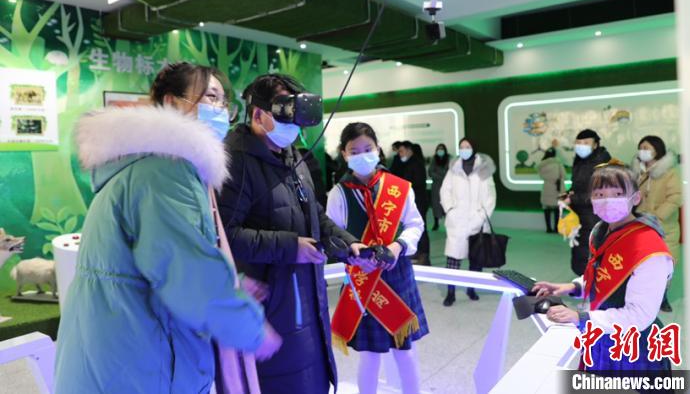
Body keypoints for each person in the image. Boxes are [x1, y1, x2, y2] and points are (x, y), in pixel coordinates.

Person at [55, 63, 280, 393]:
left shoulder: (140, 165)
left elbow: (157, 258)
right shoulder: (166, 170)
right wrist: (250, 328)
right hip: (141, 362)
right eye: (211, 97)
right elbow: (185, 273)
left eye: (224, 102)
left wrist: (229, 282)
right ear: (173, 102)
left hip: (112, 352)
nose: (221, 110)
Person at [217, 74, 372, 394]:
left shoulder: (294, 158)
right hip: (267, 312)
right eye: (285, 116)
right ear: (257, 114)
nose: (294, 128)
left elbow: (315, 215)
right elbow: (223, 237)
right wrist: (290, 247)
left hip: (308, 300)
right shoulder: (235, 162)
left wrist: (349, 245)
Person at [533, 162, 673, 373]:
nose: (608, 201)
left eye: (617, 194)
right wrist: (570, 287)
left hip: (634, 344)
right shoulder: (600, 231)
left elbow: (639, 315)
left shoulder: (650, 249)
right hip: (601, 332)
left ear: (636, 198)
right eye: (599, 194)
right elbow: (602, 275)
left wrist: (579, 317)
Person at [327, 122, 429, 394]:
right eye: (354, 151)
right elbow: (333, 236)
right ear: (344, 154)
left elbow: (415, 224)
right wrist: (352, 256)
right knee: (370, 356)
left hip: (397, 273)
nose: (362, 155)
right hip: (362, 277)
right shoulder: (338, 194)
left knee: (405, 351)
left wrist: (397, 246)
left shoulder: (398, 187)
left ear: (378, 149)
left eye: (368, 148)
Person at [440, 137, 496, 305]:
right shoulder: (454, 169)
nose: (464, 150)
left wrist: (481, 216)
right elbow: (445, 191)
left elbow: (491, 196)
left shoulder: (483, 169)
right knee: (453, 260)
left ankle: (471, 288)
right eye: (461, 147)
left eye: (467, 146)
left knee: (475, 259)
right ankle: (450, 292)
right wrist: (450, 210)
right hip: (456, 221)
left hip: (476, 221)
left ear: (474, 148)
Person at [631, 135, 682, 312]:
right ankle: (643, 295)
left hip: (664, 227)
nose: (642, 151)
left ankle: (662, 297)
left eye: (647, 148)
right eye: (641, 148)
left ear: (657, 150)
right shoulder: (637, 172)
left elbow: (676, 197)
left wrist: (657, 216)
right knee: (642, 262)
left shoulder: (670, 172)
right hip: (640, 225)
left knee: (665, 263)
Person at [566, 129, 611, 275]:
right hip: (579, 215)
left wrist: (573, 198)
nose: (581, 146)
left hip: (595, 216)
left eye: (586, 143)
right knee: (580, 252)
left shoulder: (602, 164)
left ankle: (591, 282)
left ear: (595, 145)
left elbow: (601, 194)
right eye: (578, 143)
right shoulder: (580, 161)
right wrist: (570, 194)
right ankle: (584, 281)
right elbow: (579, 186)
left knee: (591, 252)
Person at [395, 141, 431, 265]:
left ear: (409, 150)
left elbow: (418, 182)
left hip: (419, 200)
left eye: (401, 151)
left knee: (421, 227)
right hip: (413, 199)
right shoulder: (406, 164)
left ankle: (424, 254)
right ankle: (417, 251)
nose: (400, 154)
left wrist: (405, 186)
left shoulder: (416, 163)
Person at [538, 147, 566, 233]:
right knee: (557, 209)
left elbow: (541, 176)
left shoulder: (542, 165)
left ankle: (548, 228)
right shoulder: (558, 163)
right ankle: (556, 228)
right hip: (556, 188)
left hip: (547, 187)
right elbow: (563, 175)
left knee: (547, 208)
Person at [429, 143, 450, 231]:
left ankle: (449, 223)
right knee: (436, 204)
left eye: (442, 149)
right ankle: (436, 223)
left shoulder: (449, 159)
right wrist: (441, 175)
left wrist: (439, 173)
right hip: (436, 186)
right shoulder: (434, 159)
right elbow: (431, 172)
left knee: (447, 204)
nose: (440, 151)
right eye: (439, 149)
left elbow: (450, 171)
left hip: (447, 186)